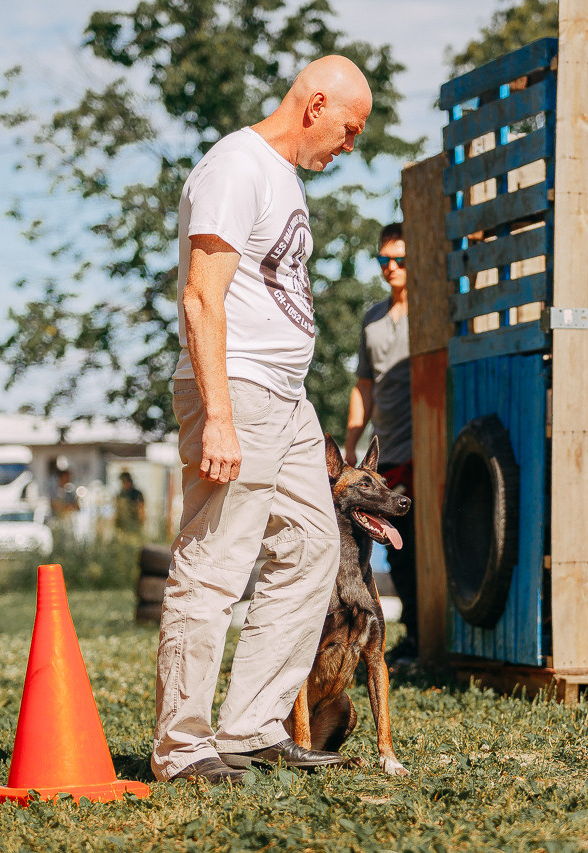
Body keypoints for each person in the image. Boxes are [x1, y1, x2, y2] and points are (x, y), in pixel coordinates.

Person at [150, 55, 373, 786]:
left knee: (312, 547)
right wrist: (218, 416)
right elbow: (200, 297)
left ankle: (251, 727)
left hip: (286, 395)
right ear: (316, 104)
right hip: (236, 387)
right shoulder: (234, 166)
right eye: (350, 128)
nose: (351, 145)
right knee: (214, 563)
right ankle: (183, 747)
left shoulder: (284, 177)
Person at [344, 222, 418, 664]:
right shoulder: (372, 318)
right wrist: (352, 444)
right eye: (384, 259)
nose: (391, 267)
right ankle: (411, 636)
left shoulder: (428, 312)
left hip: (423, 448)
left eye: (400, 259)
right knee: (392, 546)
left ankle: (424, 635)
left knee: (417, 544)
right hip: (384, 452)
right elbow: (364, 385)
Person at [114, 471, 146, 536]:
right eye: (123, 482)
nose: (125, 484)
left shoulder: (137, 494)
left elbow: (141, 510)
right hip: (122, 526)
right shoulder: (120, 495)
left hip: (134, 525)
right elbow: (117, 511)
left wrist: (141, 523)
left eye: (126, 481)